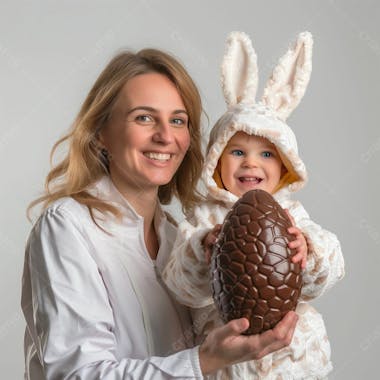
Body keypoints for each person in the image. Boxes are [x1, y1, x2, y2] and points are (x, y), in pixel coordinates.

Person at [21, 47, 299, 379]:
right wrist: (204, 360)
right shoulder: (67, 227)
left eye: (178, 120)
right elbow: (78, 374)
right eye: (144, 117)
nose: (165, 137)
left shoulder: (179, 240)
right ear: (100, 134)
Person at [162, 31, 345, 379]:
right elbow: (181, 287)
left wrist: (310, 251)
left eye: (266, 154)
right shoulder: (203, 218)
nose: (250, 163)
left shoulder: (292, 216)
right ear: (216, 160)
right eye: (237, 152)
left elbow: (330, 272)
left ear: (285, 166)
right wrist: (201, 250)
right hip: (229, 364)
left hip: (294, 360)